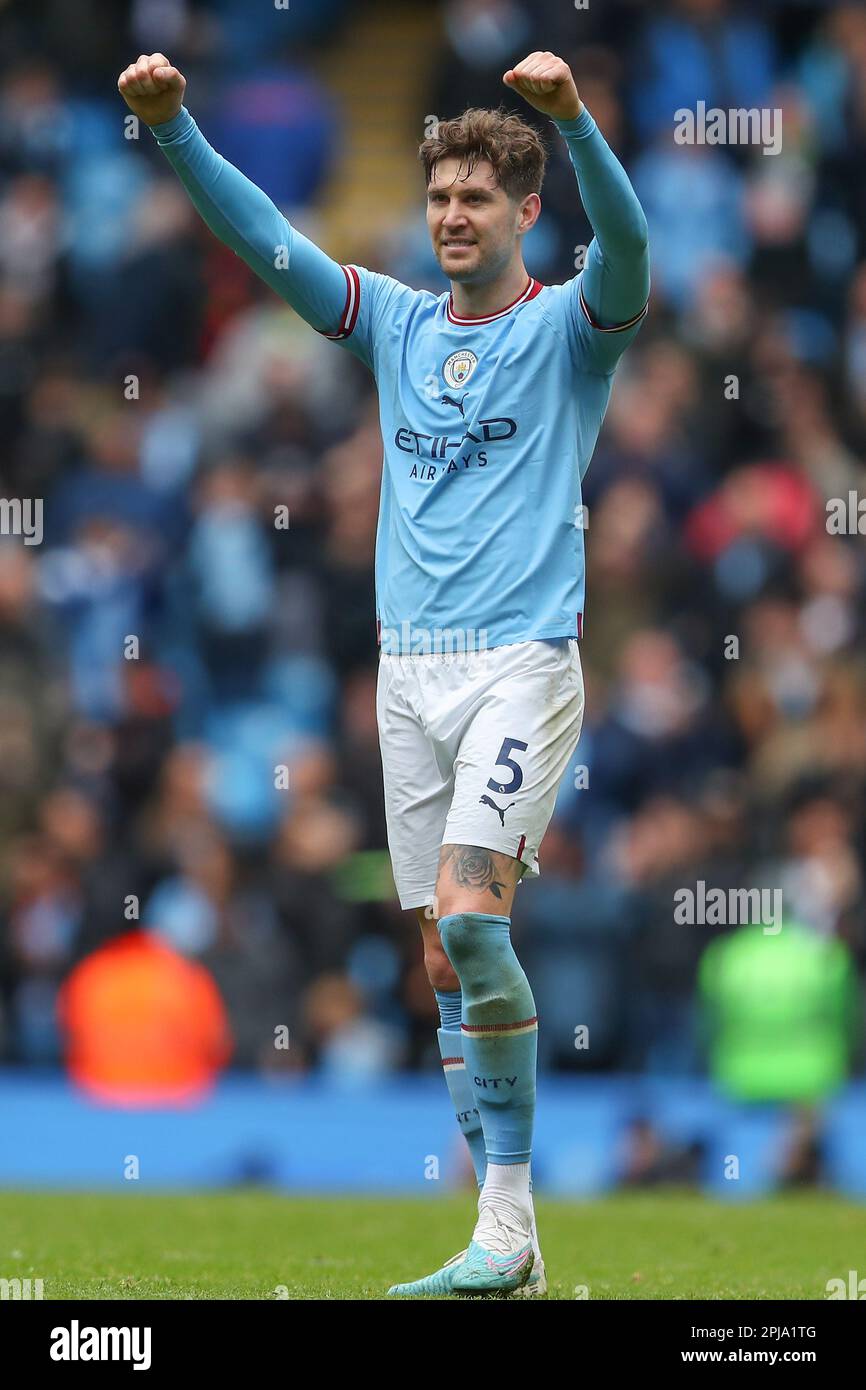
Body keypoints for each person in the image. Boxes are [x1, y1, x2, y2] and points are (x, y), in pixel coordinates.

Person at [118, 47, 649, 1297]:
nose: (452, 217)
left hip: (521, 662)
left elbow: (628, 251)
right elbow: (270, 246)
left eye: (475, 199)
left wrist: (570, 122)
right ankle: (498, 1241)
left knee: (472, 920)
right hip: (405, 676)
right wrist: (175, 129)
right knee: (440, 960)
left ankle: (507, 1229)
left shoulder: (570, 326)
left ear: (524, 213)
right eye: (438, 199)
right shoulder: (399, 326)